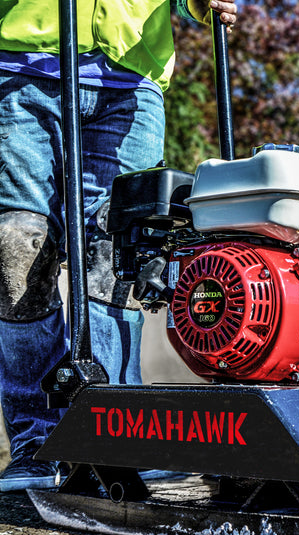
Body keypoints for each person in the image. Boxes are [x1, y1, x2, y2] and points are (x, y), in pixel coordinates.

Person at [0, 0, 237, 492]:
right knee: (18, 246)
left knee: (117, 253)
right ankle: (39, 439)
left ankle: (115, 429)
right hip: (21, 69)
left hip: (131, 82)